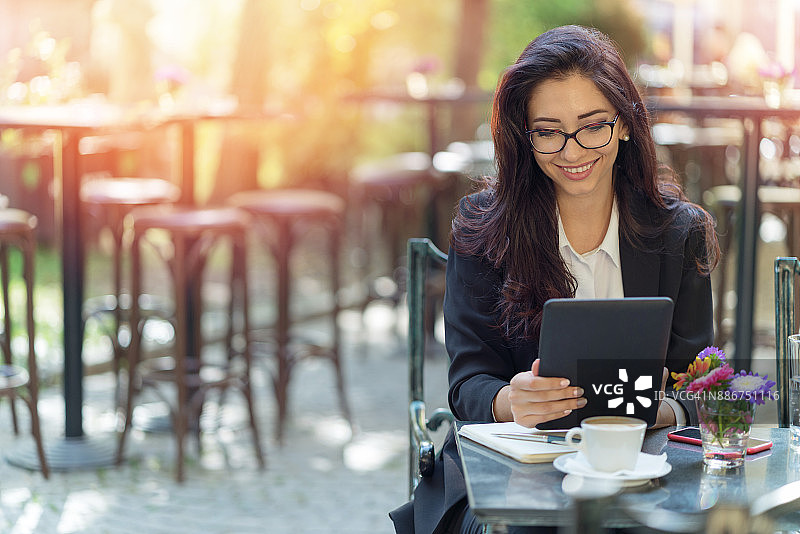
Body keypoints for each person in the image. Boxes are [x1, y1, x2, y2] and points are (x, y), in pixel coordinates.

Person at [389, 24, 719, 534]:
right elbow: (467, 385)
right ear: (525, 135)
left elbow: (699, 384)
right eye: (548, 130)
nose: (572, 151)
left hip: (640, 475)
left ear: (625, 124)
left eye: (592, 126)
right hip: (509, 477)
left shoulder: (680, 234)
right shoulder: (482, 229)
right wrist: (509, 400)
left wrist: (649, 412)